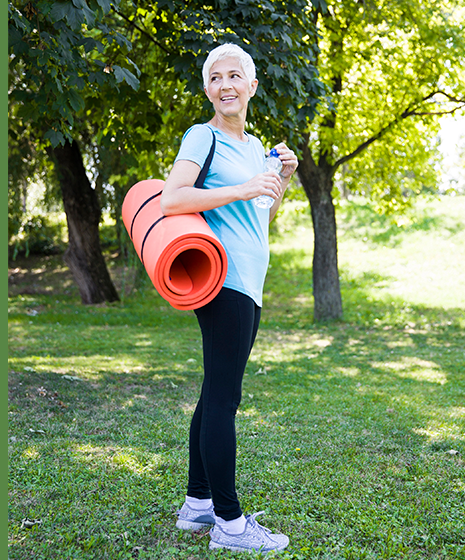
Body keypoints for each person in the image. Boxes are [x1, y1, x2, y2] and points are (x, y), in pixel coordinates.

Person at [159, 43, 297, 553]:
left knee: (212, 392)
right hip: (224, 283)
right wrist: (241, 189)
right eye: (215, 77)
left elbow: (259, 221)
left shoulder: (257, 146)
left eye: (235, 76)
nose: (225, 85)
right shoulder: (202, 135)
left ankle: (197, 505)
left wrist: (279, 179)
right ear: (207, 90)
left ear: (252, 86)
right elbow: (173, 198)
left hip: (248, 282)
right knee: (224, 399)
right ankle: (231, 525)